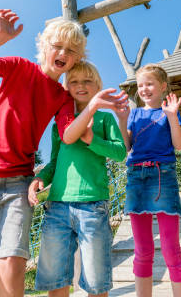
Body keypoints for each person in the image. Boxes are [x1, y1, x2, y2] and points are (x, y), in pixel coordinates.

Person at [0, 9, 127, 297]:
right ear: (44, 46)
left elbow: (68, 134)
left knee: (13, 264)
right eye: (57, 45)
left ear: (77, 58)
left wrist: (92, 107)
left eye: (72, 50)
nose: (63, 52)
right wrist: (0, 36)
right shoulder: (18, 67)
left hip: (18, 182)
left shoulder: (63, 97)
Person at [28, 61, 127, 297]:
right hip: (57, 206)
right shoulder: (60, 125)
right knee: (55, 277)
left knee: (96, 278)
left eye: (87, 81)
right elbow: (53, 162)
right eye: (74, 81)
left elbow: (120, 152)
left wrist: (92, 139)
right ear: (66, 87)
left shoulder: (105, 119)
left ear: (98, 86)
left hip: (93, 206)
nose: (81, 86)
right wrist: (39, 178)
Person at [117, 64, 181, 297]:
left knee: (170, 247)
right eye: (140, 85)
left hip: (163, 176)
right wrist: (121, 119)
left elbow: (178, 145)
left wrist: (171, 117)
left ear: (162, 86)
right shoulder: (134, 114)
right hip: (137, 177)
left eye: (149, 84)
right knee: (143, 249)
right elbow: (126, 147)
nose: (144, 89)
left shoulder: (169, 111)